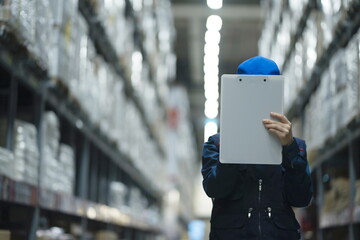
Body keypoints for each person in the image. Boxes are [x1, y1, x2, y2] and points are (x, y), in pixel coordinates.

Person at [201, 56, 313, 240]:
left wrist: (289, 148)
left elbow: (301, 198)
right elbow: (215, 189)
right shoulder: (217, 144)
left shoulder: (294, 146)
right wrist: (234, 143)